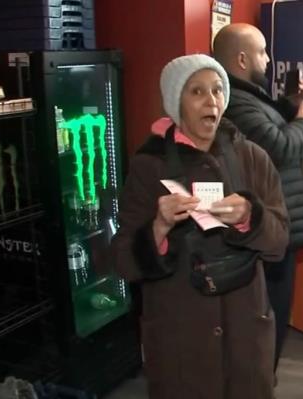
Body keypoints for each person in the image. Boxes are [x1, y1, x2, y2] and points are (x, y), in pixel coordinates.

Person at [110, 54, 289, 399]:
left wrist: (251, 216)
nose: (212, 101)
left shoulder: (252, 157)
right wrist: (159, 226)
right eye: (197, 92)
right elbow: (123, 260)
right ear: (175, 102)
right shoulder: (148, 167)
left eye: (218, 90)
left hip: (246, 337)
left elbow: (279, 242)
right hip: (181, 342)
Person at [213, 23, 303, 370]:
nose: (268, 59)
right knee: (265, 323)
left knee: (273, 318)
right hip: (262, 233)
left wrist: (290, 106)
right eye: (262, 52)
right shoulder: (235, 103)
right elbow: (279, 146)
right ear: (242, 59)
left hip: (273, 228)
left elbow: (268, 129)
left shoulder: (248, 97)